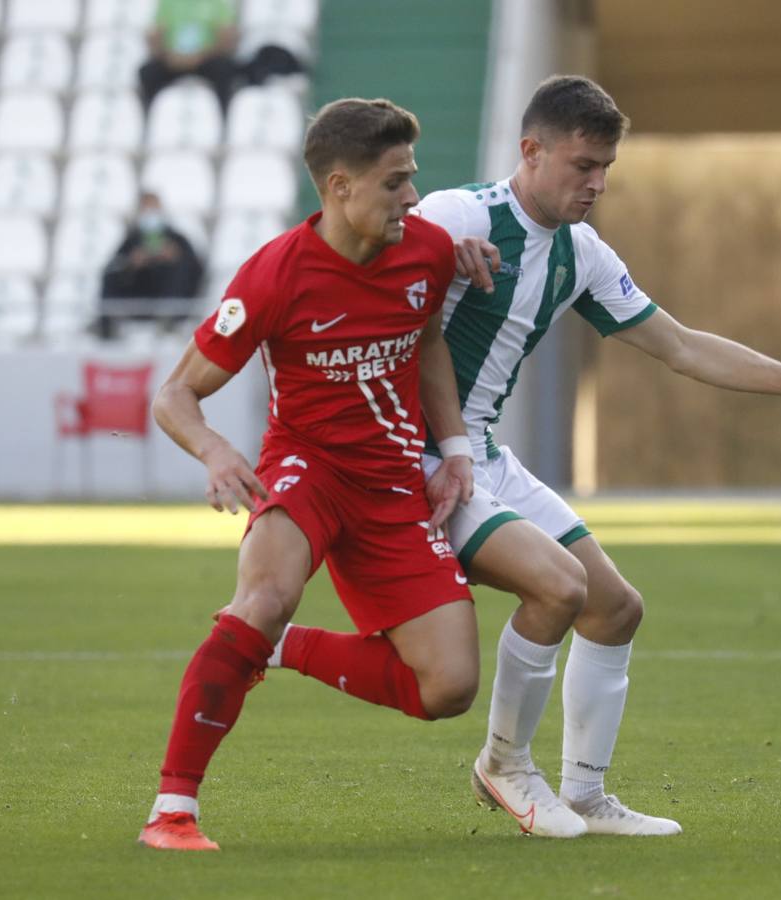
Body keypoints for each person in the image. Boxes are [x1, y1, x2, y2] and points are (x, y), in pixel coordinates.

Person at [266, 75, 781, 838]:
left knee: (616, 607)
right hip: (418, 462)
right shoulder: (460, 213)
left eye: (605, 169)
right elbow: (365, 240)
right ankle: (503, 765)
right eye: (582, 165)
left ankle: (588, 795)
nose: (596, 183)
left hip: (486, 455)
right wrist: (426, 245)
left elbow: (681, 344)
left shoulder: (582, 254)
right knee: (556, 589)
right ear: (530, 151)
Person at [136, 98, 480, 851]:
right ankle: (172, 811)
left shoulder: (425, 252)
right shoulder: (273, 276)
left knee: (450, 688)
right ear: (339, 187)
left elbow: (426, 345)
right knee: (263, 594)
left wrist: (454, 447)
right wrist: (218, 452)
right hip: (307, 469)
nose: (413, 198)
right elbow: (174, 395)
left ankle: (281, 646)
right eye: (395, 183)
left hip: (393, 486)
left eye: (412, 179)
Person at [98, 193, 205, 338]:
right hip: (137, 293)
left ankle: (171, 321)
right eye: (146, 208)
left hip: (168, 294)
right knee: (111, 274)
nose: (150, 213)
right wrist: (132, 262)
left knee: (182, 269)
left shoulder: (176, 239)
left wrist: (173, 257)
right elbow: (114, 265)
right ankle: (107, 329)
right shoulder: (132, 240)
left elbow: (196, 267)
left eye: (153, 208)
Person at [139, 0, 240, 114]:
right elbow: (156, 35)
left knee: (224, 69)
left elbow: (227, 38)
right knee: (148, 72)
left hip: (206, 59)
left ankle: (224, 116)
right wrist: (168, 55)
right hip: (173, 60)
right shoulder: (167, 3)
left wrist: (200, 56)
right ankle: (150, 116)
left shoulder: (217, 3)